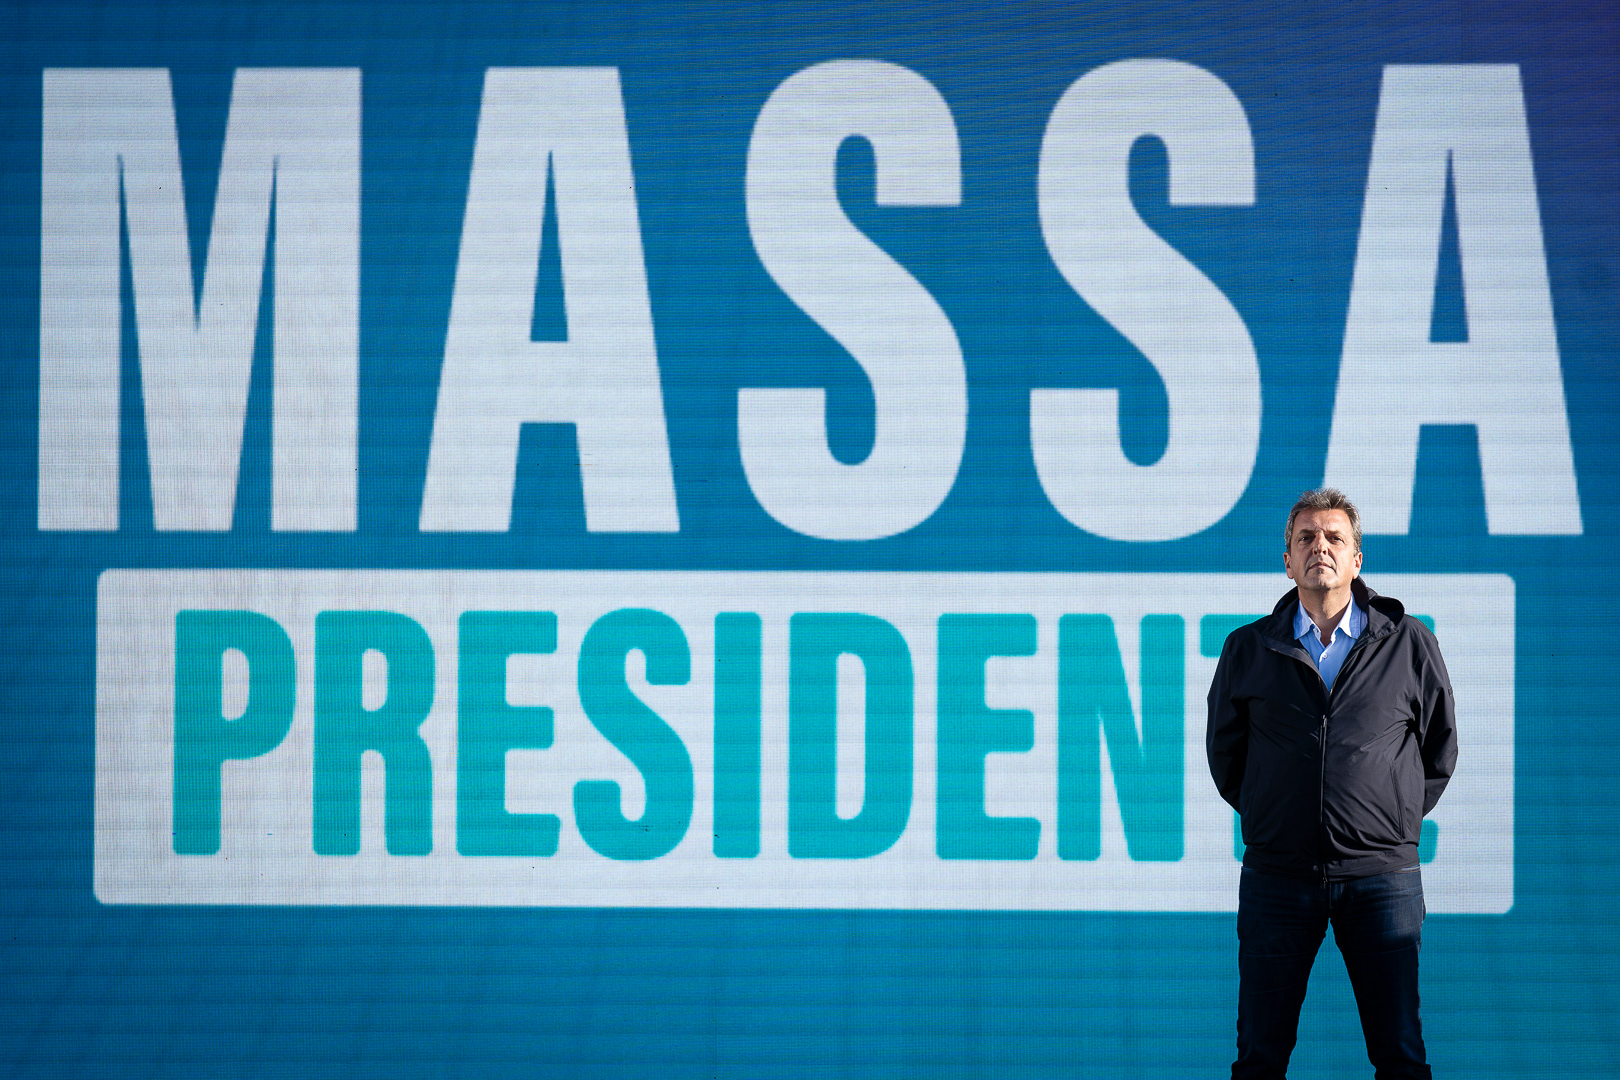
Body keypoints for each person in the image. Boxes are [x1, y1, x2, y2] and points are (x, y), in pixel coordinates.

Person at [1206, 488, 1457, 1079]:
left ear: (1357, 560)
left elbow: (1438, 746)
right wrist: (1275, 816)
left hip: (1382, 880)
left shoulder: (1408, 641)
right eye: (1306, 539)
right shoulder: (1247, 647)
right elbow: (1226, 755)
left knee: (1400, 1055)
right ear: (1287, 561)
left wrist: (1390, 822)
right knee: (1259, 1058)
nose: (1321, 547)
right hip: (1277, 877)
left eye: (1334, 538)